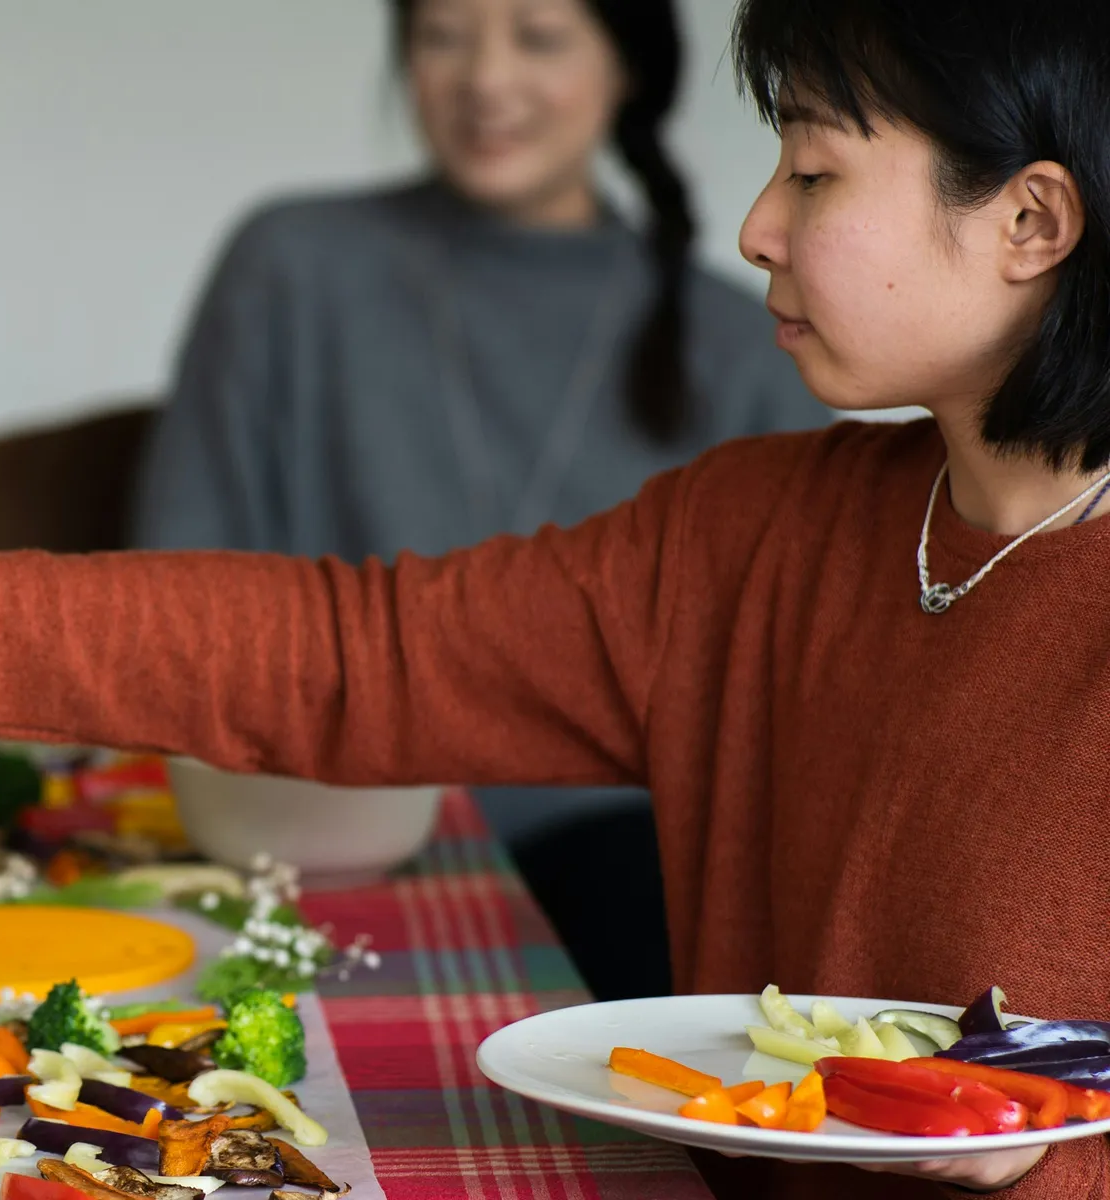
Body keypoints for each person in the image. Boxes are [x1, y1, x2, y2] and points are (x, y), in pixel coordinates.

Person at [0, 0, 1110, 1193]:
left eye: (813, 172)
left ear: (1031, 221)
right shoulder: (756, 534)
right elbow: (363, 651)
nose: (756, 226)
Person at [133, 0, 827, 1003]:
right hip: (313, 825)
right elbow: (178, 580)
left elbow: (775, 707)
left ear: (627, 67)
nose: (485, 80)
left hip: (620, 861)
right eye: (443, 36)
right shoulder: (294, 265)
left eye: (538, 38)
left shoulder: (742, 339)